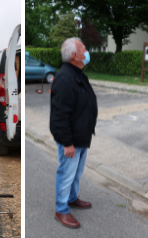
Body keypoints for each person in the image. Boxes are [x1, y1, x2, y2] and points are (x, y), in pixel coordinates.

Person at [49, 37, 98, 228]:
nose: (86, 52)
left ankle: (71, 198)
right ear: (74, 55)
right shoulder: (65, 78)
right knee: (66, 174)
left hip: (82, 136)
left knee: (76, 173)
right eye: (83, 49)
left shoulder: (77, 73)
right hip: (71, 140)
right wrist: (67, 143)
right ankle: (61, 209)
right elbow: (60, 116)